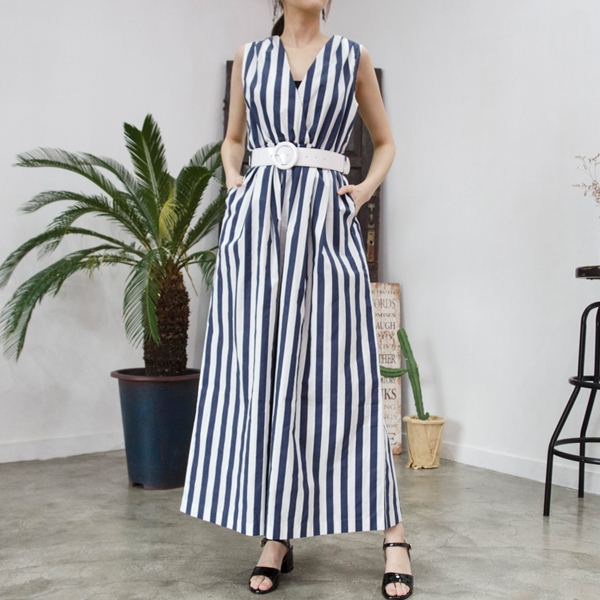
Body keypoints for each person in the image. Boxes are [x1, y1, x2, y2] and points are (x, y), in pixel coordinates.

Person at [180, 1, 413, 598]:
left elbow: (385, 143)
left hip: (326, 228)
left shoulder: (352, 57)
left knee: (344, 375)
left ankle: (394, 535)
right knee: (264, 377)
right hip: (258, 232)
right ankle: (276, 535)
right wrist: (234, 182)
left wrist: (362, 191)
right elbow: (234, 139)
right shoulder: (250, 57)